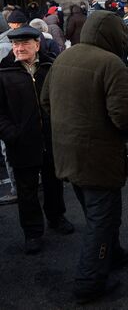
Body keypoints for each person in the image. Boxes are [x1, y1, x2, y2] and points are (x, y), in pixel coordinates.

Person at [41, 11, 128, 304]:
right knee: (102, 219)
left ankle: (114, 253)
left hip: (66, 151)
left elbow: (46, 101)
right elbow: (125, 117)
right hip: (98, 156)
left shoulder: (63, 57)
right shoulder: (110, 63)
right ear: (115, 35)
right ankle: (90, 280)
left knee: (96, 212)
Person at [0, 26, 73, 255]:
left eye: (25, 44)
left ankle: (56, 217)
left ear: (37, 45)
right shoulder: (3, 72)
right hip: (21, 143)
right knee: (26, 190)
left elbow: (61, 99)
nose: (19, 49)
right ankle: (32, 232)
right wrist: (11, 133)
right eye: (16, 45)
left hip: (50, 139)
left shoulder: (50, 66)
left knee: (54, 182)